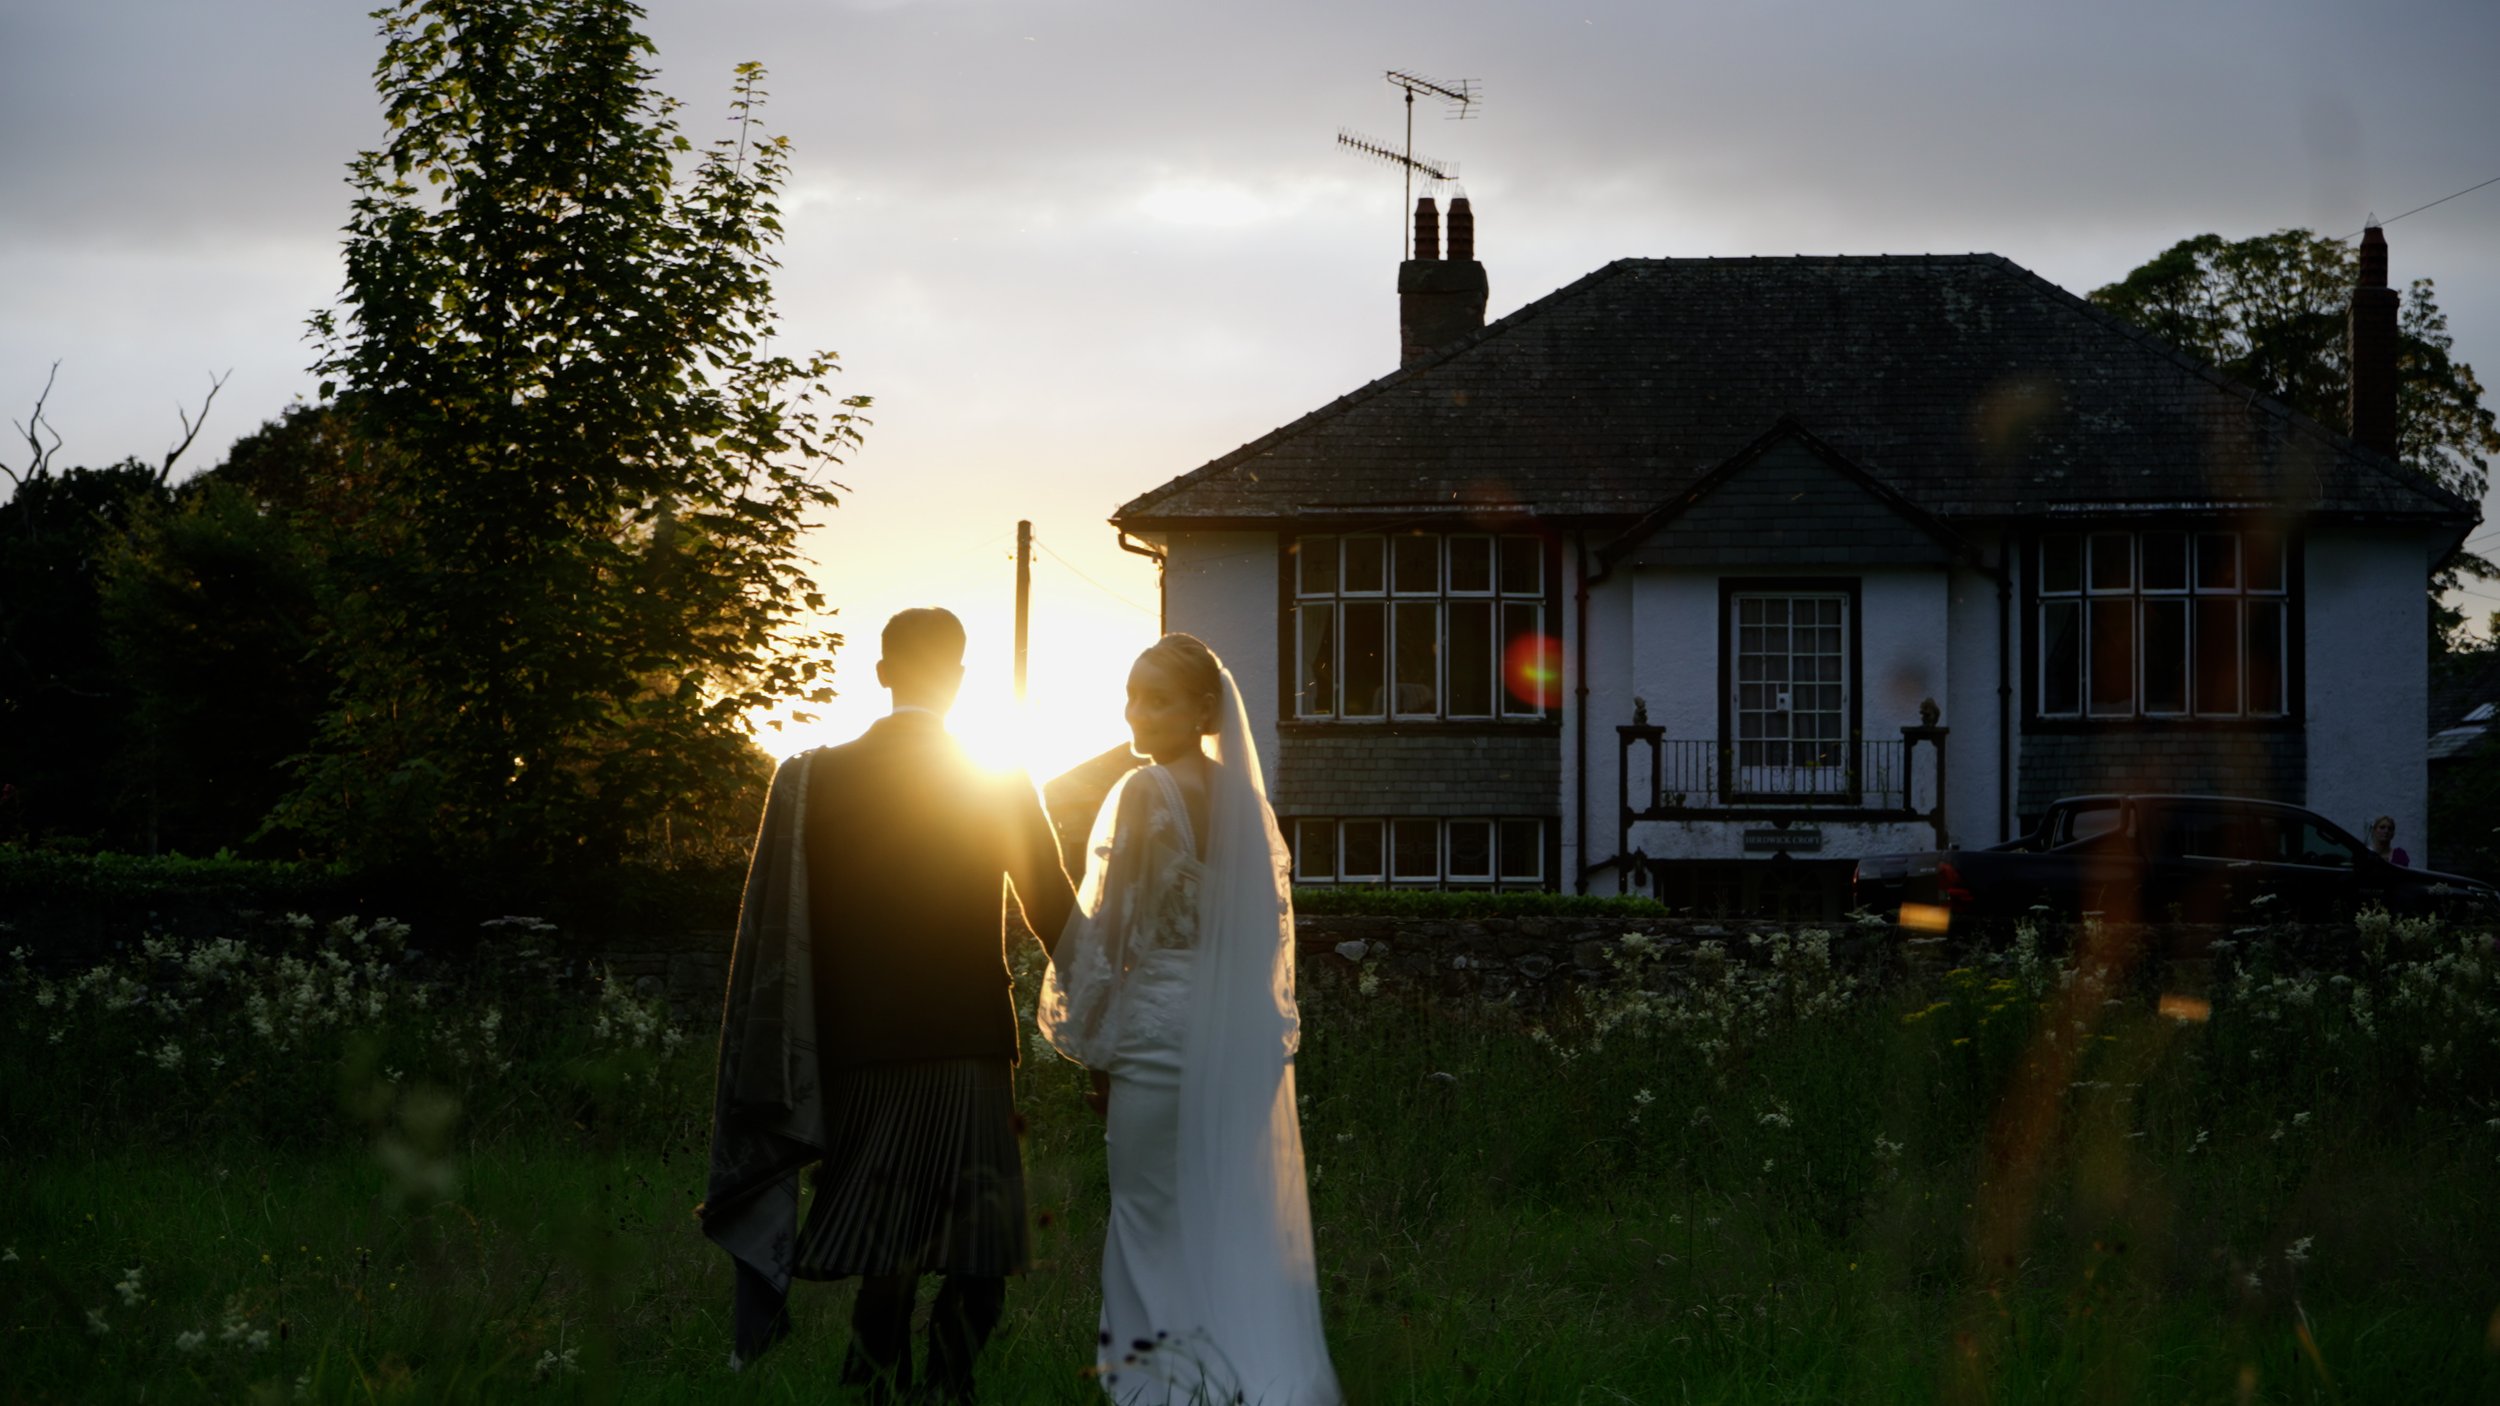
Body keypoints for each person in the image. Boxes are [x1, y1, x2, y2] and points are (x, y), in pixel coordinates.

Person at [700, 608, 1076, 1403]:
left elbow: (783, 926)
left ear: (882, 674)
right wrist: (1121, 1020)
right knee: (978, 1245)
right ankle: (949, 1390)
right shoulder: (999, 778)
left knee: (886, 1245)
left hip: (858, 1048)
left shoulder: (817, 777)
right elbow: (1056, 916)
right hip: (966, 1041)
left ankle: (872, 1390)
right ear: (961, 679)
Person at [1040, 633, 1342, 1406]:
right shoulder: (1247, 802)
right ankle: (1234, 1378)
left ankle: (1156, 1393)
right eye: (1131, 696)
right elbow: (1267, 934)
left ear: (1203, 709)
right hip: (1239, 1036)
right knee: (1222, 1218)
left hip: (1160, 1030)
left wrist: (1095, 1038)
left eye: (1156, 698)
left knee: (1145, 1214)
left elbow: (1112, 931)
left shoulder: (1145, 792)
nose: (1136, 712)